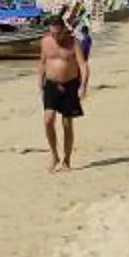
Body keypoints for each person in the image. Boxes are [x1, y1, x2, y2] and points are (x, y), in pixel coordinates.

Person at [37, 16, 83, 170]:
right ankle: (54, 155)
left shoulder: (73, 42)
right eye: (53, 33)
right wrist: (40, 81)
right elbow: (43, 62)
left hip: (69, 85)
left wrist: (83, 86)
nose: (56, 36)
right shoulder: (45, 42)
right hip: (51, 84)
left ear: (63, 29)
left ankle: (67, 160)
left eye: (58, 33)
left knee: (67, 124)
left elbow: (83, 65)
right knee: (48, 120)